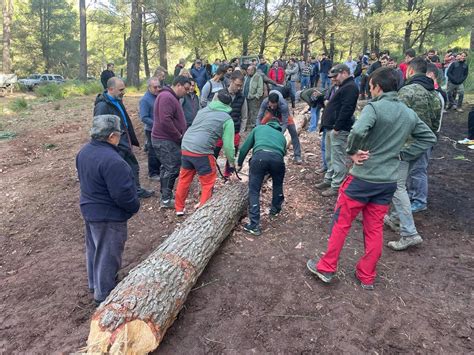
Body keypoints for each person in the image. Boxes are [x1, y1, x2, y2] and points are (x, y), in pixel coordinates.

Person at [306, 67, 437, 290]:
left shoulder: (374, 108)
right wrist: (404, 154)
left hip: (362, 179)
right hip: (387, 182)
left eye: (371, 86)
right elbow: (429, 137)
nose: (370, 89)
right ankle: (367, 275)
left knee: (341, 223)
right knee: (374, 228)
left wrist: (353, 151)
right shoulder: (408, 113)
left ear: (377, 86)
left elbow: (357, 131)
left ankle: (326, 267)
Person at [76, 115, 140, 304]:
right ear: (112, 136)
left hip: (89, 209)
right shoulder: (114, 161)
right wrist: (134, 206)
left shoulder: (84, 152)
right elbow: (122, 195)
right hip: (108, 215)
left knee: (94, 248)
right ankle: (104, 295)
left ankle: (94, 284)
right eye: (119, 133)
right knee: (108, 255)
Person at [175, 91, 235, 216]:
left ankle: (179, 208)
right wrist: (232, 163)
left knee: (184, 179)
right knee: (207, 183)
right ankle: (203, 214)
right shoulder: (227, 119)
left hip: (186, 146)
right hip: (202, 151)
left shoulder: (202, 111)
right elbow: (229, 146)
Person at [94, 77, 154, 198]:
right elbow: (99, 130)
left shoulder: (117, 99)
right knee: (118, 170)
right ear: (110, 89)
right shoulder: (102, 106)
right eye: (121, 90)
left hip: (124, 139)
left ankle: (135, 190)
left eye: (123, 89)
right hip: (114, 143)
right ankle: (119, 194)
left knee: (132, 166)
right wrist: (111, 145)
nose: (123, 92)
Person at [399, 56, 442, 213]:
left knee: (412, 172)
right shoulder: (434, 93)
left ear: (410, 70)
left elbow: (398, 116)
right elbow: (437, 120)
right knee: (419, 170)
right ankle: (415, 198)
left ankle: (417, 200)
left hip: (408, 140)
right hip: (427, 139)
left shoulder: (407, 91)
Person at [238, 118, 287, 236]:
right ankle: (275, 210)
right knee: (277, 184)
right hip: (278, 160)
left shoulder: (258, 128)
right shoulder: (282, 136)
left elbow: (245, 147)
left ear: (267, 123)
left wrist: (239, 163)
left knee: (254, 190)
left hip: (259, 158)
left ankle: (254, 225)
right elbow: (283, 152)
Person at [315, 64, 359, 197]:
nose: (333, 79)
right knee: (330, 156)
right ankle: (329, 179)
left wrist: (337, 127)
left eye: (335, 76)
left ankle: (336, 185)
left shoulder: (351, 87)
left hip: (338, 129)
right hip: (331, 127)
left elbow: (347, 109)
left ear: (345, 73)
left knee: (338, 157)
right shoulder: (343, 87)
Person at [152, 76, 191, 208]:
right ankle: (166, 200)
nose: (187, 91)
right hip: (165, 140)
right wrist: (178, 136)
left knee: (167, 167)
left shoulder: (170, 97)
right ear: (178, 85)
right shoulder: (167, 97)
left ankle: (165, 194)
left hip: (166, 139)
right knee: (172, 168)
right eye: (185, 88)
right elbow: (165, 121)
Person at [214, 71, 247, 176]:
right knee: (213, 154)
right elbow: (212, 112)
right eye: (237, 85)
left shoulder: (242, 98)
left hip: (235, 131)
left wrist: (241, 132)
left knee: (232, 156)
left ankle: (228, 176)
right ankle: (210, 174)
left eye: (241, 86)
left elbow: (244, 116)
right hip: (219, 131)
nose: (239, 88)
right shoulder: (219, 94)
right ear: (231, 81)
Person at [256, 91, 303, 164]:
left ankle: (297, 155)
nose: (272, 107)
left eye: (274, 106)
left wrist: (279, 134)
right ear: (268, 101)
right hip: (271, 113)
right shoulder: (265, 102)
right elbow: (259, 116)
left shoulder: (284, 105)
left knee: (293, 132)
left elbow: (284, 123)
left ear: (277, 102)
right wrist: (258, 129)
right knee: (261, 125)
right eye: (270, 105)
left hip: (283, 115)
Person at [139, 77, 162, 180]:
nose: (157, 89)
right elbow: (144, 117)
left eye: (159, 86)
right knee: (153, 151)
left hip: (161, 129)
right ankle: (152, 173)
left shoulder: (159, 96)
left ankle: (160, 170)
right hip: (151, 129)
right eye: (155, 87)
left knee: (160, 149)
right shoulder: (145, 100)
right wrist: (156, 124)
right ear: (149, 87)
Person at [243, 65, 264, 130]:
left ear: (253, 70)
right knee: (246, 112)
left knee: (254, 112)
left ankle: (254, 126)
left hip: (254, 98)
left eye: (249, 70)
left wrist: (257, 96)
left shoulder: (258, 77)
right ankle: (247, 125)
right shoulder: (246, 77)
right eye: (247, 69)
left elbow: (260, 88)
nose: (247, 71)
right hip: (245, 97)